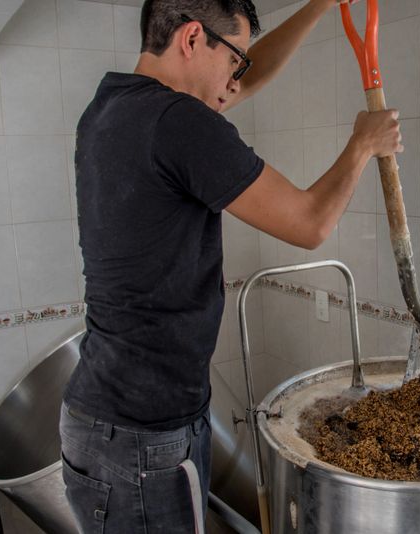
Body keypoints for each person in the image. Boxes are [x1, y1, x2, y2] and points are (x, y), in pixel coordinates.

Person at [59, 0, 402, 532]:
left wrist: (317, 7)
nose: (236, 80)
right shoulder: (180, 124)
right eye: (233, 60)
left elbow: (242, 79)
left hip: (109, 419)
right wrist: (362, 144)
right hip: (143, 440)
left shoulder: (110, 107)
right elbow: (310, 224)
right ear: (193, 39)